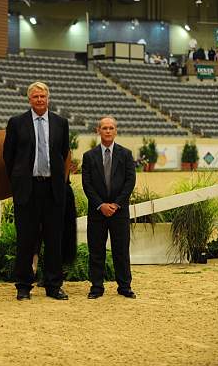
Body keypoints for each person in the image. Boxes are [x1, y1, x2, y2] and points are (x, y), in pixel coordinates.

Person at [3, 81, 70, 301]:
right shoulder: (16, 123)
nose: (39, 100)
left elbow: (62, 153)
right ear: (29, 99)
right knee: (26, 239)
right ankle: (23, 286)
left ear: (48, 98)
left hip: (52, 189)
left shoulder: (61, 123)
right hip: (27, 189)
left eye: (43, 96)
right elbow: (8, 156)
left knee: (54, 240)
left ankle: (53, 285)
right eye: (35, 97)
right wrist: (18, 180)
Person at [81, 116, 137, 299]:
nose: (107, 131)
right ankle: (96, 287)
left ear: (116, 131)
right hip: (97, 212)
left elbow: (130, 182)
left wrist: (115, 204)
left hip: (119, 212)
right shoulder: (89, 156)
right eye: (104, 128)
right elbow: (87, 184)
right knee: (96, 251)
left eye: (111, 128)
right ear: (98, 131)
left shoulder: (126, 154)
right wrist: (100, 205)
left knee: (121, 250)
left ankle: (124, 287)